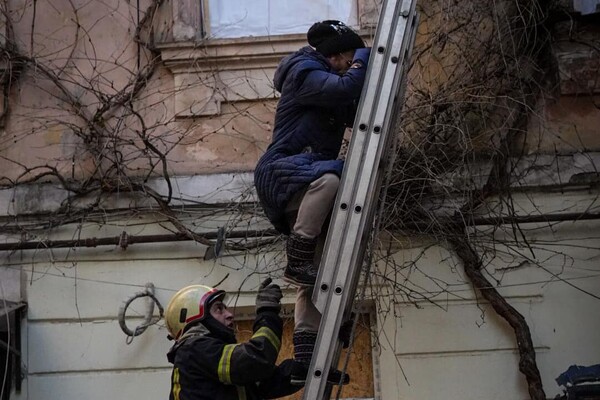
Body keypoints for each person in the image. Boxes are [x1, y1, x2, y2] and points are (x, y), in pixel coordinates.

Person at [254, 20, 370, 382]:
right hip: (284, 172)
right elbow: (348, 85)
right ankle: (297, 255)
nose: (351, 65)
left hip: (304, 178)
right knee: (335, 176)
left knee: (316, 277)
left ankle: (307, 362)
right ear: (334, 55)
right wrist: (369, 57)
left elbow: (356, 105)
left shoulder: (327, 87)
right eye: (349, 58)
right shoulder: (304, 72)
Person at [165, 278, 302, 400]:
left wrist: (307, 363)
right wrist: (267, 311)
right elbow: (256, 359)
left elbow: (270, 382)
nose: (230, 314)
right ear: (195, 318)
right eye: (219, 309)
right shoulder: (193, 350)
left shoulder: (212, 364)